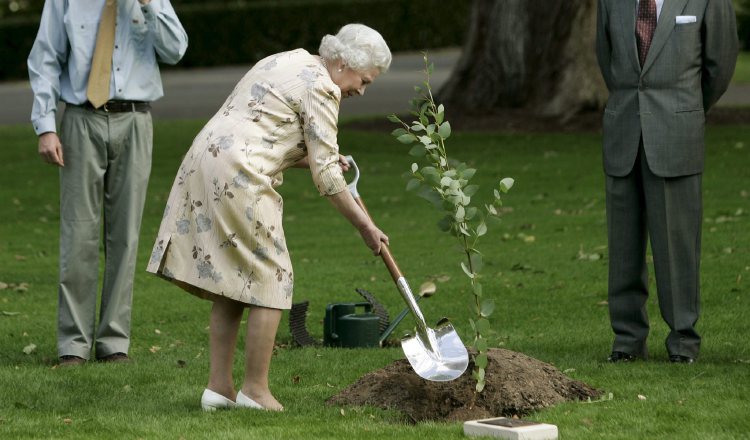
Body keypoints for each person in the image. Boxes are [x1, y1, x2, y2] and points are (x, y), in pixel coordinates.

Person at [146, 24, 391, 411]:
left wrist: (316, 157)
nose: (361, 90)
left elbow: (264, 130)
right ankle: (255, 392)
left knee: (234, 279)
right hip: (239, 175)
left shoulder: (288, 60)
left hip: (204, 160)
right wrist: (365, 225)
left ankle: (218, 389)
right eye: (364, 81)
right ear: (343, 64)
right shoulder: (323, 88)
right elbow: (326, 176)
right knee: (274, 277)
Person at [27, 0, 188, 366]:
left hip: (135, 120)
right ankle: (73, 345)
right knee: (77, 233)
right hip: (81, 120)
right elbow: (45, 59)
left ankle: (114, 341)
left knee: (126, 236)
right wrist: (46, 126)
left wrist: (149, 6)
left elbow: (176, 50)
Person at [595, 0, 738, 363]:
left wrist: (683, 108)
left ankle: (683, 342)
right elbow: (606, 57)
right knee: (623, 247)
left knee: (677, 247)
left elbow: (719, 67)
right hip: (623, 130)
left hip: (677, 133)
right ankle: (627, 341)